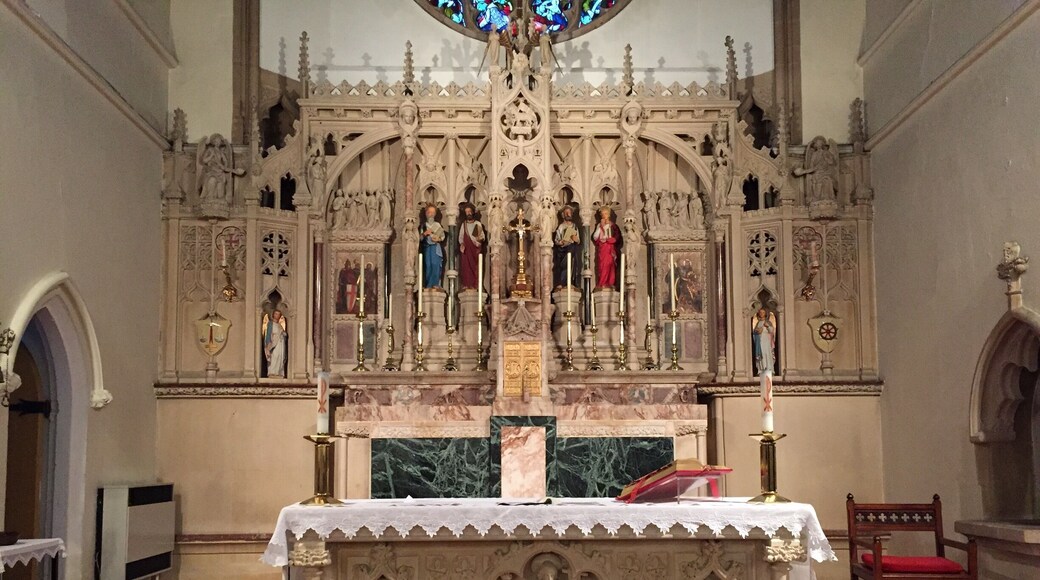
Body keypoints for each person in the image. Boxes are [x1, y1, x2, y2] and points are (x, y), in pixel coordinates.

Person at [552, 205, 581, 290]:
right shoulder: (561, 226)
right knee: (563, 266)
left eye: (569, 213)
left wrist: (576, 239)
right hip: (563, 250)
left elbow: (578, 239)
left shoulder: (574, 226)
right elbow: (557, 240)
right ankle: (562, 282)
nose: (568, 214)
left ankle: (571, 282)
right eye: (566, 213)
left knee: (571, 265)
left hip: (572, 248)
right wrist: (561, 242)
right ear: (563, 215)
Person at [458, 203, 485, 290]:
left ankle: (475, 285)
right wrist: (462, 243)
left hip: (475, 249)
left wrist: (479, 239)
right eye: (466, 212)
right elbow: (461, 236)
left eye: (470, 211)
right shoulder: (464, 224)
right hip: (466, 250)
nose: (468, 213)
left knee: (475, 267)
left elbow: (482, 237)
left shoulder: (477, 223)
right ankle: (466, 284)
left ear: (473, 212)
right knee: (466, 267)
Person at [591, 207, 618, 289]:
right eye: (602, 214)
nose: (604, 216)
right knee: (602, 265)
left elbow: (617, 235)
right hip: (603, 247)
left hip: (610, 248)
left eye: (605, 214)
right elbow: (595, 237)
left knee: (610, 265)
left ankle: (610, 283)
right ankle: (602, 282)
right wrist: (601, 227)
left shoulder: (612, 225)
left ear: (609, 215)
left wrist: (614, 239)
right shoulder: (599, 225)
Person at [420, 205, 445, 288]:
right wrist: (424, 233)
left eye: (433, 213)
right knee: (428, 265)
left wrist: (438, 238)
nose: (431, 214)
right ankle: (428, 284)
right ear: (426, 214)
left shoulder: (437, 225)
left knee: (435, 264)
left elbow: (442, 236)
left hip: (435, 248)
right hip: (427, 248)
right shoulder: (423, 226)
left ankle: (435, 283)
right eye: (429, 212)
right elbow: (418, 238)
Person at [264, 310, 287, 378]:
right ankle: (272, 372)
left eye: (279, 314)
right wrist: (268, 344)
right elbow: (268, 334)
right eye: (276, 314)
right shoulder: (270, 324)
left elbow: (283, 333)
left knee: (280, 356)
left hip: (280, 343)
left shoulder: (280, 325)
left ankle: (279, 372)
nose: (277, 316)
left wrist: (283, 334)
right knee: (274, 356)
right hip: (273, 343)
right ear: (273, 315)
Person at [752, 308, 776, 376]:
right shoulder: (758, 323)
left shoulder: (768, 322)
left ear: (765, 314)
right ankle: (761, 369)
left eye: (763, 312)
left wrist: (767, 326)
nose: (761, 314)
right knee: (761, 354)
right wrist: (757, 331)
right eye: (760, 312)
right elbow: (754, 332)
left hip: (767, 341)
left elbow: (771, 331)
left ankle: (769, 369)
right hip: (759, 341)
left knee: (767, 354)